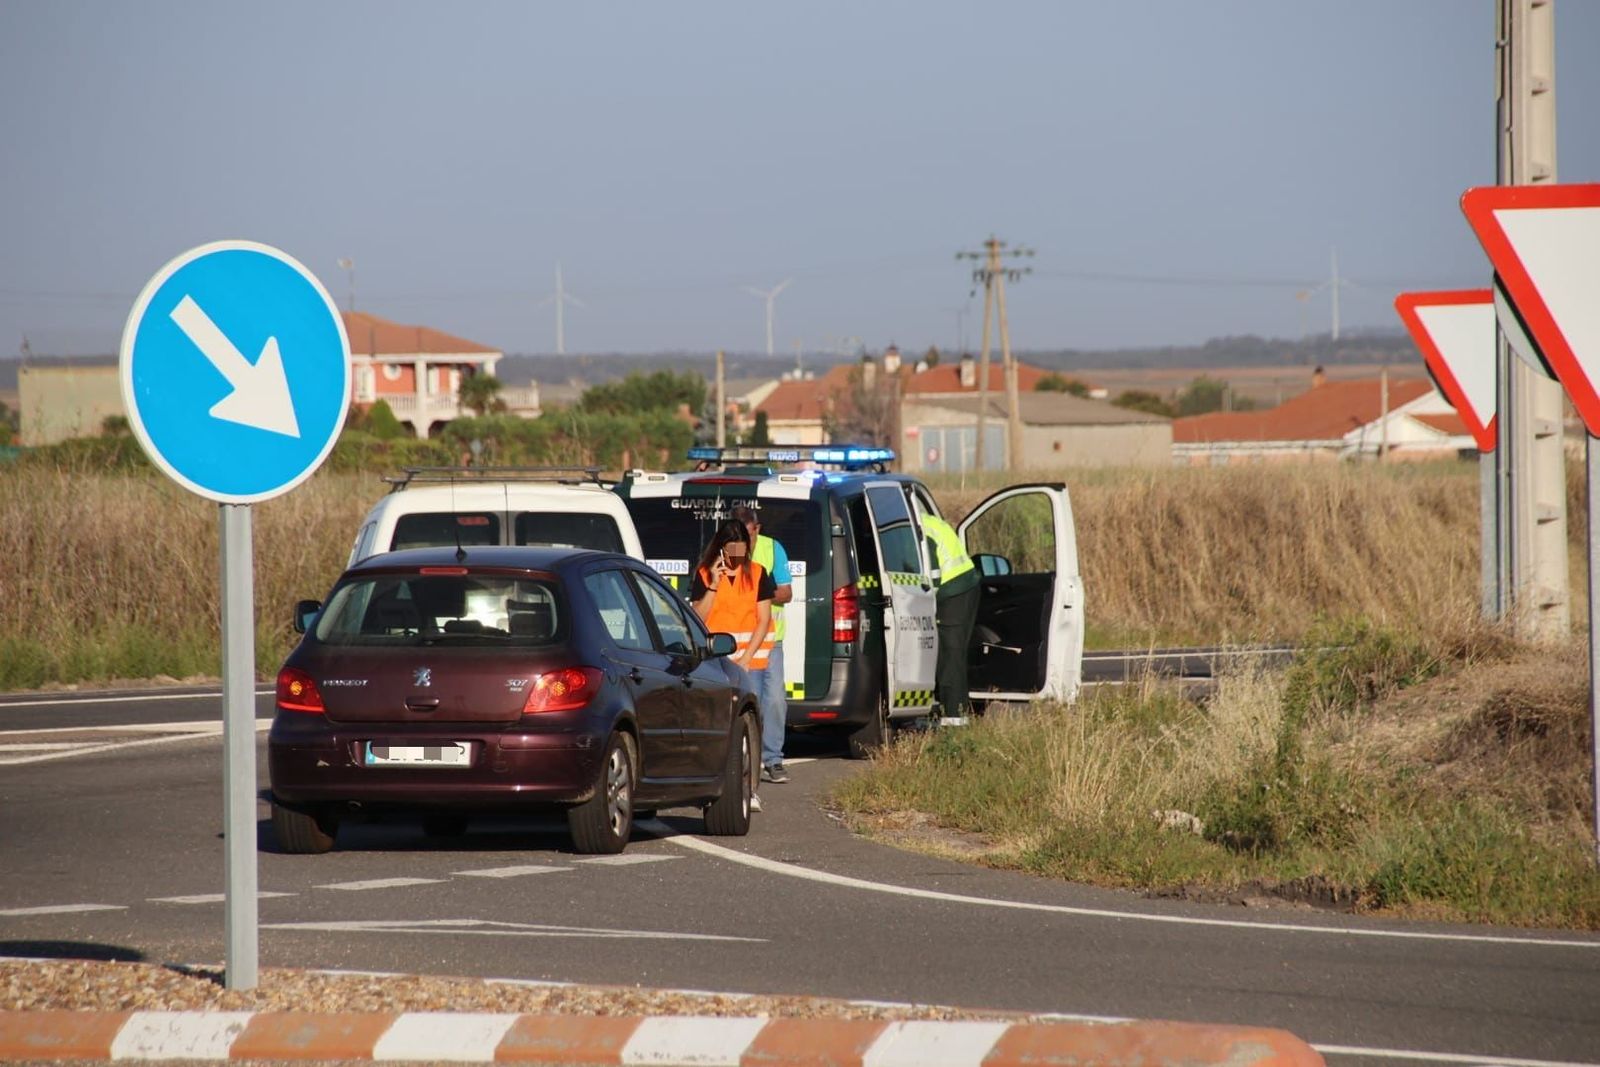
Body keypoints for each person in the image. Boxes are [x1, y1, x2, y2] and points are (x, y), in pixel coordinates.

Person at [690, 518, 776, 807]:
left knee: (749, 725)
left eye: (741, 547)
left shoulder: (758, 573)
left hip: (749, 663)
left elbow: (764, 619)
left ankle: (749, 789)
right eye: (731, 548)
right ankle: (708, 784)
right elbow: (697, 619)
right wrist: (713, 585)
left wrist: (747, 657)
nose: (737, 554)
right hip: (713, 661)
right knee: (712, 724)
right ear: (721, 547)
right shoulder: (704, 574)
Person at [732, 505, 792, 785]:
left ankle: (773, 759)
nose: (747, 540)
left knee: (776, 700)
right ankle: (748, 760)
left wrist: (760, 591)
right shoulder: (730, 551)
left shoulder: (772, 548)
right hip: (742, 644)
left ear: (758, 528)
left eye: (750, 534)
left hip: (771, 641)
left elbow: (786, 592)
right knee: (750, 701)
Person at [921, 511, 978, 723]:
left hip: (953, 591)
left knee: (950, 654)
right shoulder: (926, 520)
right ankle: (952, 711)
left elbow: (932, 577)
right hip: (963, 583)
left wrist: (924, 606)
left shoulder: (919, 529)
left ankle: (954, 718)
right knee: (951, 653)